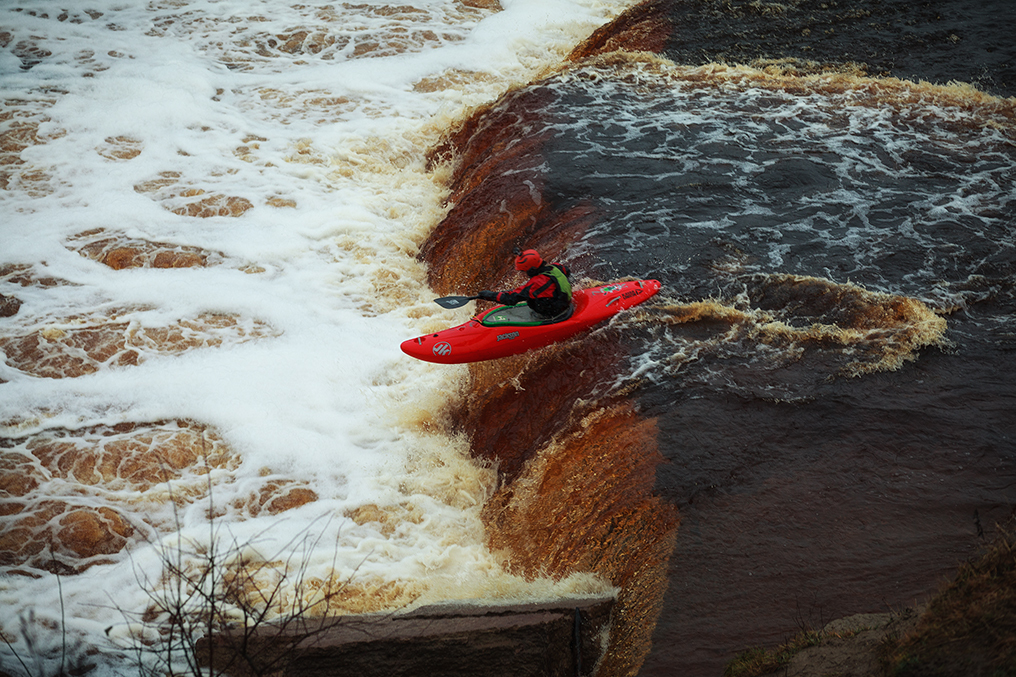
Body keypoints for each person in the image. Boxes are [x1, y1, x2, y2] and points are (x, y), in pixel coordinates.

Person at [478, 249, 573, 318]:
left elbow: (511, 299)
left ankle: (545, 317)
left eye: (524, 271)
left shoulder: (537, 283)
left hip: (556, 312)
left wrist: (490, 295)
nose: (523, 274)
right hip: (563, 302)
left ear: (532, 270)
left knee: (530, 299)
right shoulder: (556, 267)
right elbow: (567, 271)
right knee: (529, 294)